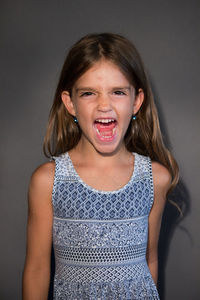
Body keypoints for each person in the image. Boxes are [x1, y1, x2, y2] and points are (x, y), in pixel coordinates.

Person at [22, 33, 179, 300]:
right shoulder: (49, 180)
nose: (104, 105)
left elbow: (150, 262)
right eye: (88, 93)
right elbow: (37, 269)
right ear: (70, 103)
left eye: (118, 92)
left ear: (136, 102)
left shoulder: (156, 178)